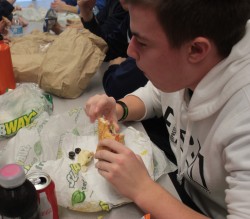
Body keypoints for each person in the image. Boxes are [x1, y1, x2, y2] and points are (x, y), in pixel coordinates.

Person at [85, 0, 250, 218]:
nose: (130, 51)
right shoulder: (187, 68)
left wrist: (142, 189)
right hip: (180, 188)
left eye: (142, 43)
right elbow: (155, 96)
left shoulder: (243, 115)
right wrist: (118, 109)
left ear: (196, 49)